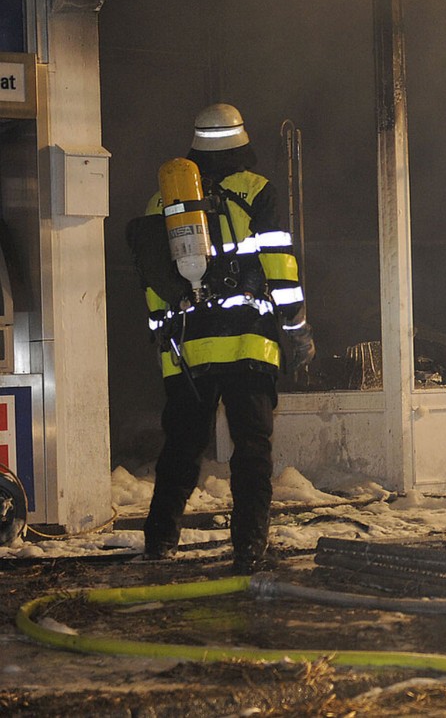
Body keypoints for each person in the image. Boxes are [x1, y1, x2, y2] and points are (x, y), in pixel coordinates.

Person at [138, 103, 315, 573]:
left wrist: (165, 336)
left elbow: (153, 282)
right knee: (252, 450)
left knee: (181, 447)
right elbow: (280, 266)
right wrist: (296, 328)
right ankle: (249, 548)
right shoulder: (258, 192)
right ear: (241, 142)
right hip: (247, 345)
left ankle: (159, 543)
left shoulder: (163, 202)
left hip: (188, 352)